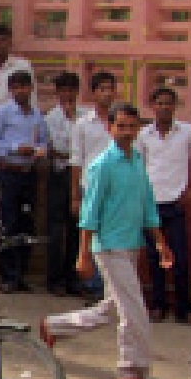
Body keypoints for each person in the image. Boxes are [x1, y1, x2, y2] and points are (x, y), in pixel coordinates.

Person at [40, 104, 171, 379]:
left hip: (131, 244)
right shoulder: (102, 165)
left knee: (112, 309)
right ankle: (130, 368)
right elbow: (90, 212)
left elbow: (148, 205)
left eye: (131, 127)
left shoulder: (138, 160)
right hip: (108, 246)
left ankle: (54, 326)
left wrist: (161, 243)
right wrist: (83, 253)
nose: (126, 132)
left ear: (138, 129)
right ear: (110, 128)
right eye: (120, 126)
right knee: (134, 310)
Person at [139, 85, 191, 323]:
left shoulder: (187, 132)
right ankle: (158, 306)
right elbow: (137, 167)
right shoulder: (144, 135)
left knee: (181, 258)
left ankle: (183, 309)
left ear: (175, 107)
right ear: (152, 106)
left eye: (168, 103)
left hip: (176, 204)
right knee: (154, 258)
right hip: (151, 204)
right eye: (159, 103)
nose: (164, 107)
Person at [0, 69, 48, 292]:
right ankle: (8, 276)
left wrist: (39, 151)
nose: (21, 91)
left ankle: (21, 274)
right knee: (8, 224)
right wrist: (14, 148)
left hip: (28, 173)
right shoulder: (2, 113)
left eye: (25, 86)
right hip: (8, 172)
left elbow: (44, 142)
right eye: (17, 87)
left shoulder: (37, 116)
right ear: (11, 90)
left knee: (26, 224)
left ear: (31, 88)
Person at [69, 70, 119, 299]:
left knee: (112, 241)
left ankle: (109, 290)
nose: (107, 94)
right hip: (90, 188)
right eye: (102, 89)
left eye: (110, 89)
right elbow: (76, 160)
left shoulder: (120, 122)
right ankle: (93, 288)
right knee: (91, 240)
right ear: (94, 93)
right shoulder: (82, 124)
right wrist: (75, 196)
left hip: (117, 190)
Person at [43, 71, 88, 295]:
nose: (68, 95)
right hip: (60, 175)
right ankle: (55, 279)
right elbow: (58, 148)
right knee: (55, 229)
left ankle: (73, 279)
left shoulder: (86, 115)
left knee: (76, 229)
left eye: (72, 90)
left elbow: (79, 149)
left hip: (80, 175)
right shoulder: (51, 117)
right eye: (64, 90)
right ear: (58, 93)